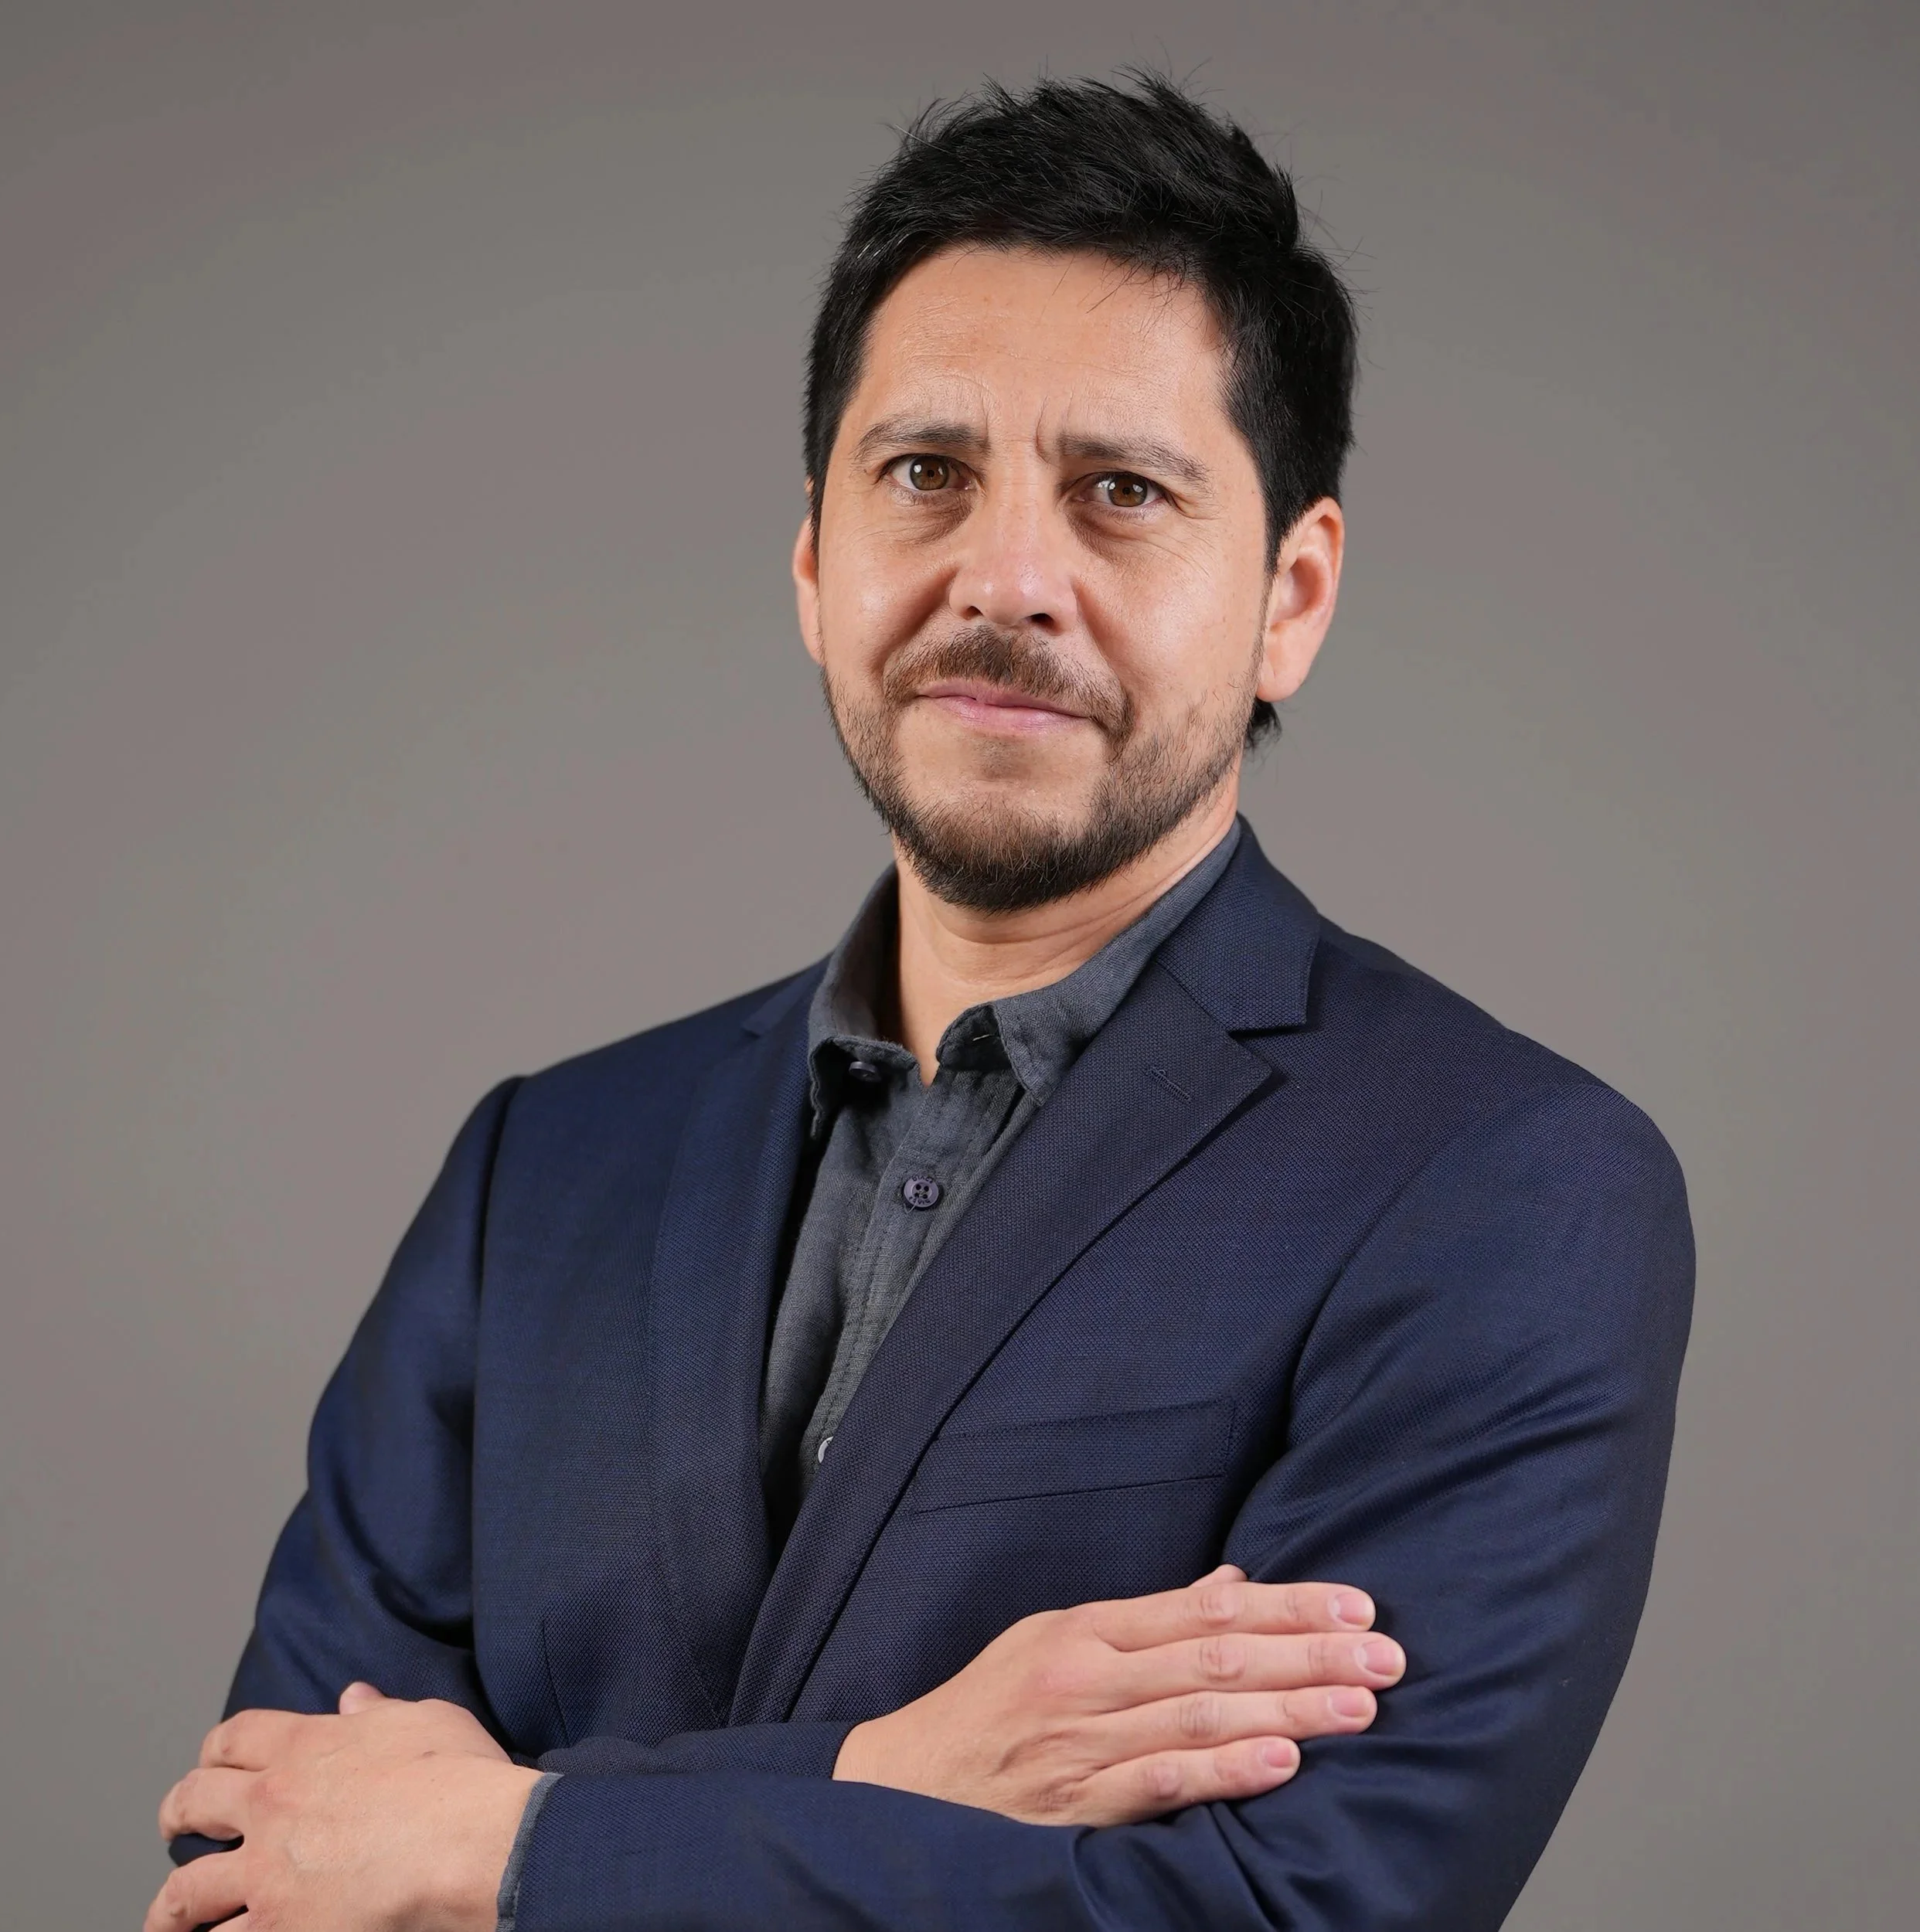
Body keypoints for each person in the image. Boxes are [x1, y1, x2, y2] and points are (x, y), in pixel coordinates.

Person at [146, 71, 1694, 1932]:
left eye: (1119, 492)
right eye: (924, 475)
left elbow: (1296, 1909)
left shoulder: (1501, 1182)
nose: (1005, 579)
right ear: (815, 563)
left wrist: (500, 1844)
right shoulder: (537, 1168)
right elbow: (260, 1867)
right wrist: (894, 1772)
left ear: (1287, 596)